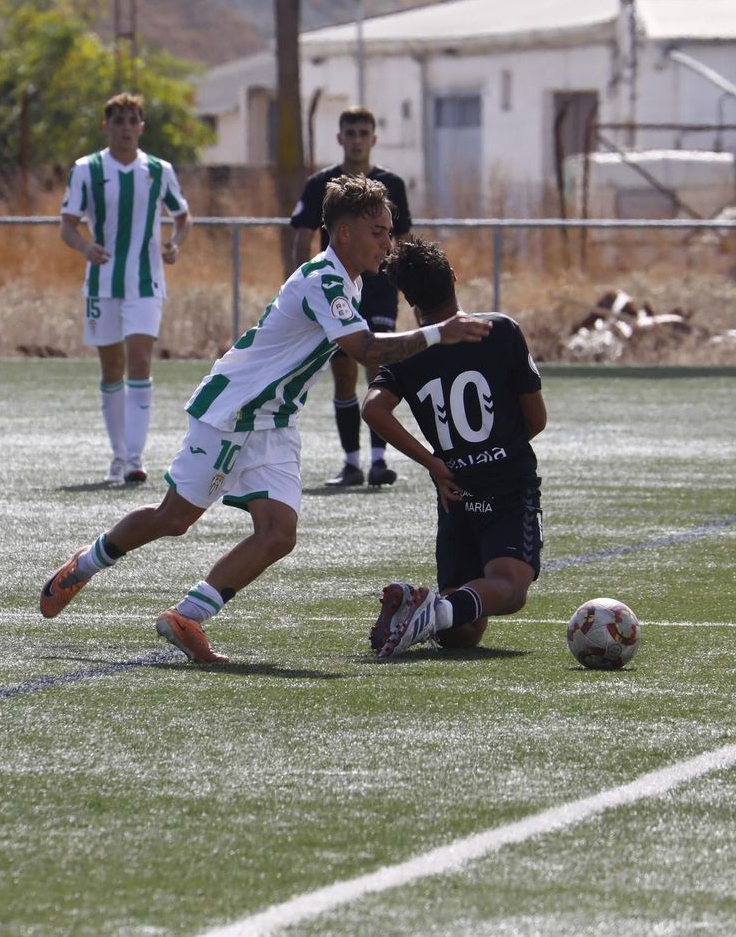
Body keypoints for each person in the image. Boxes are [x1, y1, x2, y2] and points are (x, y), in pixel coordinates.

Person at [40, 176, 490, 663]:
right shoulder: (326, 280)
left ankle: (187, 616)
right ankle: (81, 567)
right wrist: (439, 333)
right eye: (378, 231)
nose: (388, 241)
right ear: (343, 233)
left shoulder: (351, 282)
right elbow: (364, 351)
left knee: (279, 533)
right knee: (172, 520)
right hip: (234, 411)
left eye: (389, 230)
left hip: (273, 420)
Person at [361, 237, 547, 658]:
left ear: (409, 300)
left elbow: (373, 409)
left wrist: (433, 463)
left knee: (463, 632)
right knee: (512, 590)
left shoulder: (407, 349)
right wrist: (497, 454)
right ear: (454, 278)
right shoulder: (500, 330)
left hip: (455, 491)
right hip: (507, 489)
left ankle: (430, 611)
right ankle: (431, 612)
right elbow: (536, 420)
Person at [61, 92, 193, 483]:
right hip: (102, 282)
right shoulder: (86, 169)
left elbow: (183, 217)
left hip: (146, 282)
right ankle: (117, 455)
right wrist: (86, 245)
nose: (125, 128)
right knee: (111, 368)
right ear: (106, 127)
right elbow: (67, 225)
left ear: (141, 126)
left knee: (140, 360)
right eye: (117, 121)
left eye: (131, 120)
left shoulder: (158, 169)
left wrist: (174, 244)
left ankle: (134, 459)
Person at [290, 106, 414, 487]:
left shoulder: (391, 183)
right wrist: (301, 285)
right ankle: (351, 462)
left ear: (373, 138)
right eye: (351, 132)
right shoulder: (320, 184)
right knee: (343, 377)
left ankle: (379, 460)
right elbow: (302, 237)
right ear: (340, 137)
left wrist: (406, 284)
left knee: (377, 367)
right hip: (336, 293)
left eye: (364, 132)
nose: (357, 139)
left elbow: (403, 240)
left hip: (378, 292)